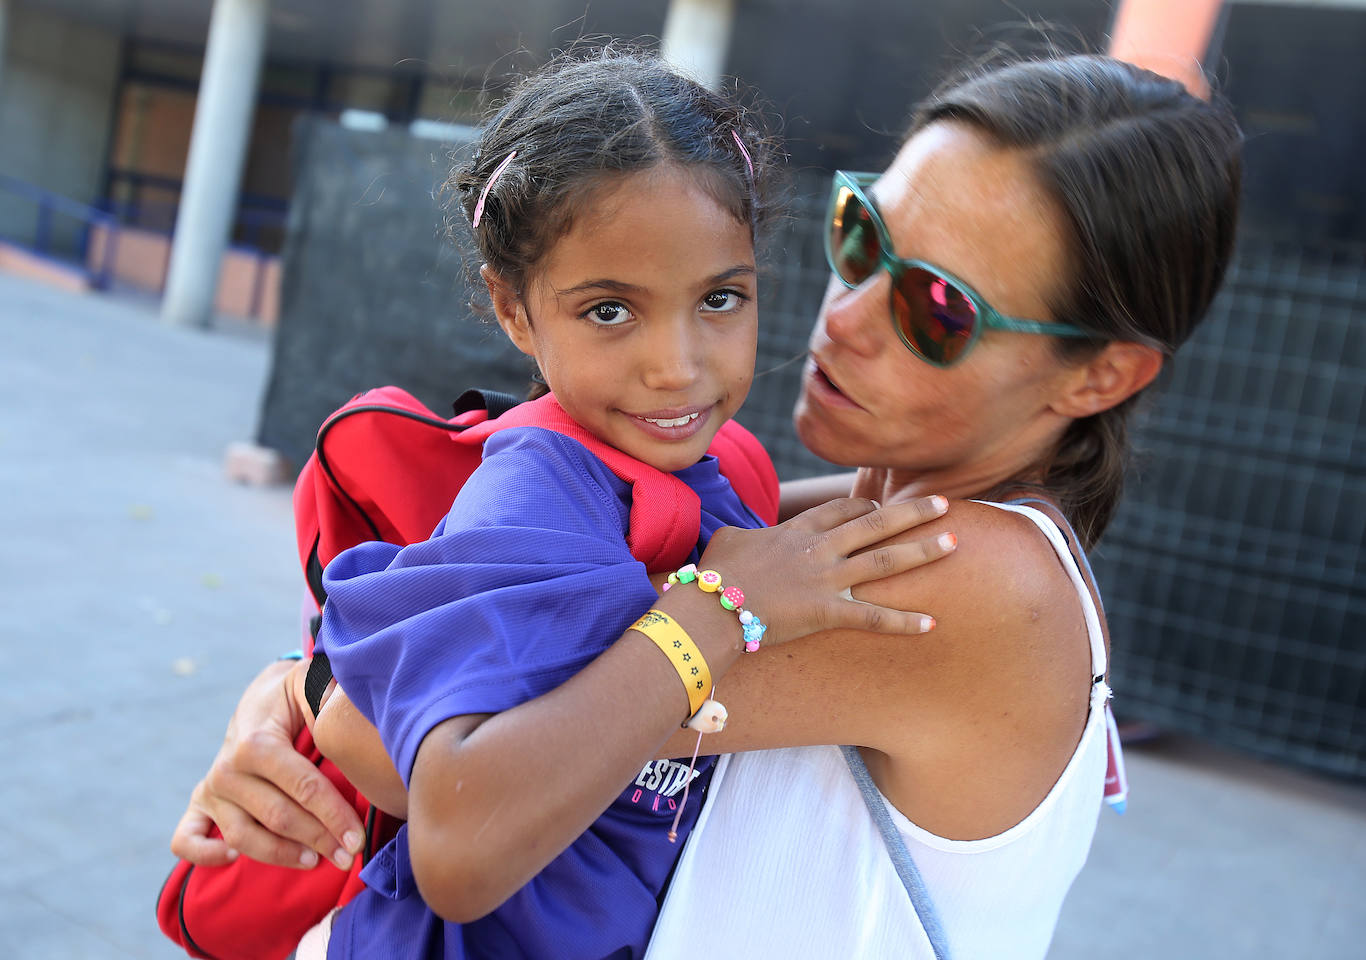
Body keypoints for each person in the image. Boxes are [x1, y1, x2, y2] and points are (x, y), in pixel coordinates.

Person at [173, 51, 1242, 960]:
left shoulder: (969, 587)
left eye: (935, 307)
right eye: (862, 237)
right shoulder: (815, 528)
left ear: (1098, 378)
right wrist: (297, 686)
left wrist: (301, 688)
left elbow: (442, 762)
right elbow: (446, 673)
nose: (849, 317)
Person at [281, 51, 950, 959]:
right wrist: (719, 613)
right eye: (609, 311)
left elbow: (771, 532)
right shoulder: (532, 501)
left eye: (720, 298)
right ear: (514, 310)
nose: (677, 364)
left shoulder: (684, 463)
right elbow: (459, 852)